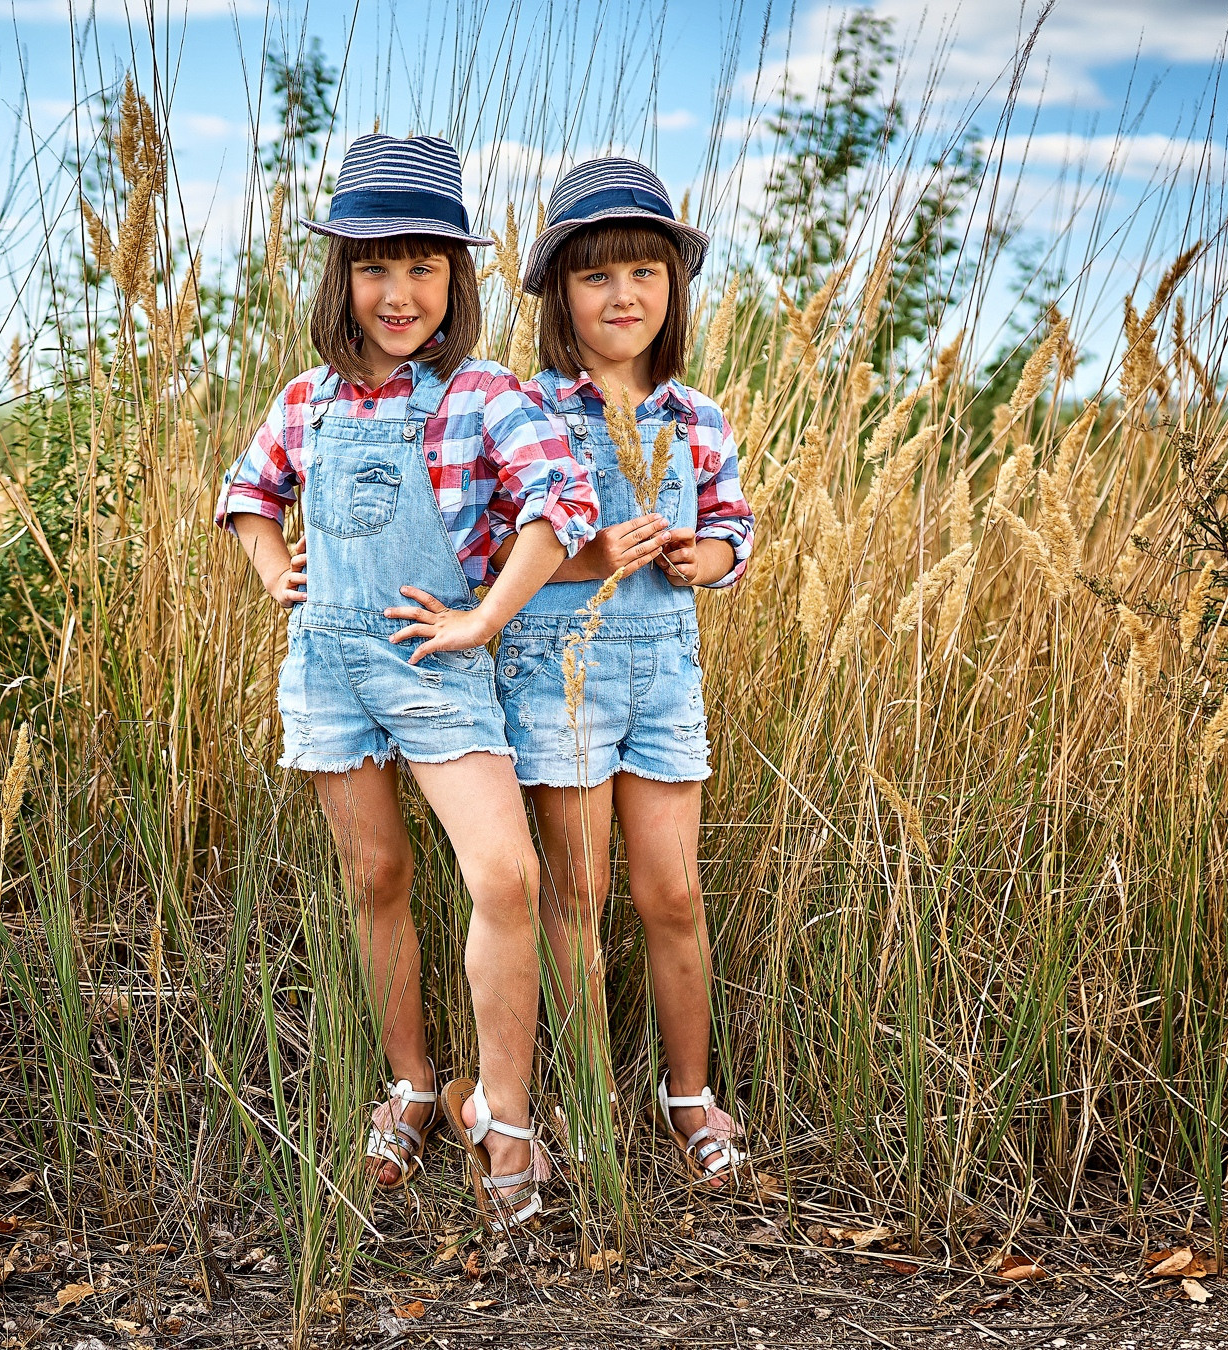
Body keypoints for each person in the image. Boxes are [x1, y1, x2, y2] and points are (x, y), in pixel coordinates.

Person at [215, 133, 598, 1232]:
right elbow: (250, 490)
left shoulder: (484, 394)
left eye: (422, 267)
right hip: (329, 668)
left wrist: (486, 614)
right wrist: (270, 564)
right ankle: (414, 1086)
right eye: (374, 267)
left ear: (455, 278)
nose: (398, 292)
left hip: (436, 666)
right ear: (342, 277)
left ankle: (507, 1115)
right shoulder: (307, 399)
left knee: (507, 878)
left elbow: (559, 509)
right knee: (377, 877)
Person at [491, 156, 755, 1188]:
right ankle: (588, 1092)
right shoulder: (532, 408)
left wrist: (710, 557)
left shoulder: (695, 415)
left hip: (665, 672)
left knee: (671, 891)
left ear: (672, 288)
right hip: (565, 666)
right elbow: (504, 538)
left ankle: (688, 1093)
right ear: (561, 291)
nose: (624, 295)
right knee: (578, 892)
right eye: (597, 276)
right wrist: (588, 553)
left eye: (645, 272)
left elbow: (732, 521)